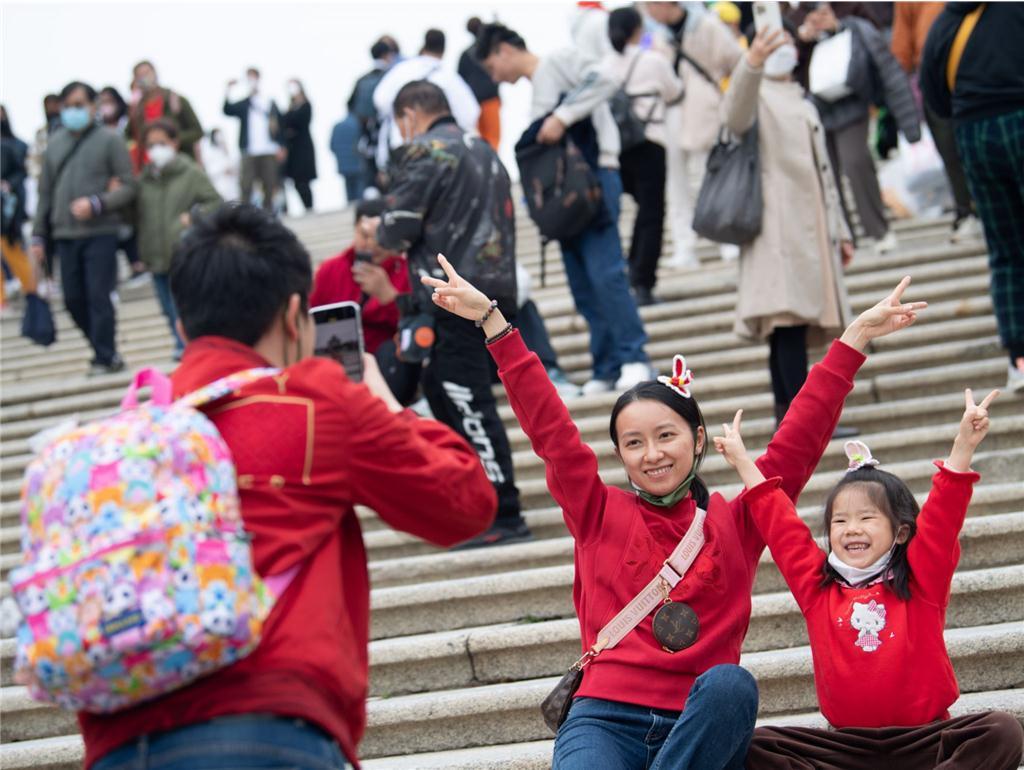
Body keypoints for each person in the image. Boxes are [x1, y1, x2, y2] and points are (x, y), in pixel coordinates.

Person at [423, 252, 927, 770]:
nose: (653, 453)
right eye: (635, 442)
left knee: (732, 685)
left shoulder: (739, 521)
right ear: (620, 456)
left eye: (666, 436)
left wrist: (853, 342)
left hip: (699, 726)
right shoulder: (595, 511)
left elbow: (798, 443)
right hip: (604, 719)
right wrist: (494, 323)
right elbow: (550, 429)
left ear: (699, 439)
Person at [80, 203, 496, 770]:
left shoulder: (126, 434)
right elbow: (466, 503)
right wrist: (380, 398)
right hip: (266, 728)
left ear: (181, 325)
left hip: (119, 742)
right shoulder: (311, 403)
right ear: (295, 315)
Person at [717, 393, 1024, 769]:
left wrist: (963, 446)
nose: (851, 529)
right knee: (760, 744)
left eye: (867, 518)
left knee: (1002, 730)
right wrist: (744, 463)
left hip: (924, 741)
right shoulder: (817, 587)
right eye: (840, 521)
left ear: (900, 533)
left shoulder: (921, 578)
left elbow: (942, 520)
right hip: (847, 748)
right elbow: (783, 529)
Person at [369, 80, 530, 549]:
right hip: (494, 292)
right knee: (458, 397)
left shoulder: (423, 151)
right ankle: (481, 507)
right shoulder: (483, 147)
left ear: (408, 117)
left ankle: (502, 509)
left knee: (465, 402)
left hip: (450, 298)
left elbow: (397, 229)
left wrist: (377, 230)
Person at [476, 22, 656, 394]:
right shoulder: (540, 83)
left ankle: (634, 356)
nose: (496, 77)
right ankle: (607, 365)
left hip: (593, 181)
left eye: (492, 67)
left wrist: (563, 116)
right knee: (582, 282)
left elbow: (605, 78)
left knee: (606, 273)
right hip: (568, 199)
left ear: (503, 50)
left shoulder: (559, 60)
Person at [722, 28, 856, 431]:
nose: (786, 50)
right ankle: (803, 424)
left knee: (788, 329)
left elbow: (824, 173)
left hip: (808, 226)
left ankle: (792, 421)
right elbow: (734, 114)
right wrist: (752, 62)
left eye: (785, 43)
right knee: (787, 325)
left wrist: (841, 229)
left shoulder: (798, 94)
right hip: (775, 231)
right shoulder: (757, 89)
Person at [920, 3, 1024, 395]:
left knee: (1006, 249)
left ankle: (1019, 357)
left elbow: (934, 95)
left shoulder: (944, 24)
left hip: (975, 132)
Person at [792, 3, 921, 255]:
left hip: (853, 103)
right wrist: (802, 41)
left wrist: (836, 27)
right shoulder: (794, 16)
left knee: (856, 162)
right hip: (815, 110)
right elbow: (788, 69)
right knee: (827, 176)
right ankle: (844, 237)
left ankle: (878, 230)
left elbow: (877, 46)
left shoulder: (849, 10)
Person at [31, 81, 137, 375]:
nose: (73, 111)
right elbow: (45, 194)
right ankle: (105, 350)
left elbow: (129, 186)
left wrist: (98, 203)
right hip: (64, 234)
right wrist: (39, 234)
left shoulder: (110, 140)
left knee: (98, 296)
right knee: (73, 299)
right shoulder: (55, 144)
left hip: (100, 231)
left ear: (93, 106)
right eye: (68, 106)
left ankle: (104, 356)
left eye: (80, 104)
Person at [642, 2, 743, 267]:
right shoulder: (657, 35)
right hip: (670, 111)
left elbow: (735, 60)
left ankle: (727, 240)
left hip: (704, 107)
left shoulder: (707, 25)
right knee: (676, 184)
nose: (648, 11)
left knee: (712, 176)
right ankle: (685, 246)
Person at [606, 7, 685, 306]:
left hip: (618, 148)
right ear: (638, 30)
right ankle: (643, 282)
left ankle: (631, 269)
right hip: (650, 142)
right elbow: (675, 92)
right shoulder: (653, 60)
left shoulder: (603, 65)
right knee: (652, 214)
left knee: (642, 211)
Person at [310, 199, 416, 402]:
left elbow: (416, 327)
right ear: (354, 231)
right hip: (335, 359)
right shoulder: (331, 269)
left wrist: (390, 297)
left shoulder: (405, 270)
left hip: (386, 363)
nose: (372, 244)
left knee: (396, 350)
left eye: (379, 236)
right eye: (365, 235)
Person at [891, 2, 980, 243]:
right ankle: (968, 210)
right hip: (967, 69)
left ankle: (969, 211)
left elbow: (902, 54)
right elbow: (901, 52)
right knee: (958, 150)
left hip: (951, 70)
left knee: (955, 151)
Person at [136, 119, 222, 359]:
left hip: (183, 251)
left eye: (161, 143)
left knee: (183, 303)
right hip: (154, 253)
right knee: (166, 305)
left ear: (174, 142)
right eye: (150, 145)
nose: (155, 149)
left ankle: (191, 345)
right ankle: (179, 342)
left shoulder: (190, 172)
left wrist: (193, 217)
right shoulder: (145, 179)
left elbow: (215, 202)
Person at [372, 29, 480, 174]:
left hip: (402, 152)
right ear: (443, 50)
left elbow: (380, 100)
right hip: (445, 155)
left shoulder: (402, 70)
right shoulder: (450, 77)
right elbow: (470, 114)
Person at [126, 60, 203, 173]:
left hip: (178, 167)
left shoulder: (176, 100)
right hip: (149, 171)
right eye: (140, 75)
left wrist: (170, 141)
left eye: (147, 73)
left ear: (155, 74)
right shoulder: (137, 110)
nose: (144, 77)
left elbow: (197, 131)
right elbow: (129, 137)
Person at [223, 68, 283, 213]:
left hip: (269, 149)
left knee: (270, 183)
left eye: (253, 77)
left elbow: (281, 125)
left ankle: (269, 213)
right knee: (246, 184)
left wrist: (281, 146)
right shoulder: (245, 103)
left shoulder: (269, 101)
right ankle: (246, 215)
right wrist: (228, 90)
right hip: (249, 150)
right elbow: (227, 110)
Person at [348, 37, 400, 194]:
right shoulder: (392, 76)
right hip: (389, 136)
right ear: (387, 55)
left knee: (371, 182)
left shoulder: (361, 80)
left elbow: (351, 106)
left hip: (367, 138)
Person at [1, 105, 37, 309]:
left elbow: (21, 173)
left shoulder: (10, 147)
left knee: (13, 250)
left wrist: (8, 185)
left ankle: (31, 290)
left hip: (7, 213)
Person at [459, 17, 502, 151]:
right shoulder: (491, 50)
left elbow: (460, 80)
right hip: (490, 99)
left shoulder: (465, 55)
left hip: (473, 102)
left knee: (478, 138)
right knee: (493, 138)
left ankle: (483, 164)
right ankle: (492, 164)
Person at [280, 79, 317, 212]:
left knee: (304, 181)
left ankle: (309, 208)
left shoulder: (306, 106)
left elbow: (298, 121)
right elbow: (284, 123)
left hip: (303, 150)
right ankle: (307, 207)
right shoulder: (290, 108)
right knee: (296, 182)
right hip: (293, 151)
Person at [329, 112, 364, 204]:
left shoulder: (337, 126)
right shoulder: (357, 125)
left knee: (350, 193)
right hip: (357, 162)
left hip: (343, 164)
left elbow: (331, 146)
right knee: (359, 193)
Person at [201, 128, 241, 202]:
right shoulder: (210, 153)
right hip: (219, 187)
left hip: (232, 188)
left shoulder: (229, 151)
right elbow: (209, 171)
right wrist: (223, 170)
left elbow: (236, 166)